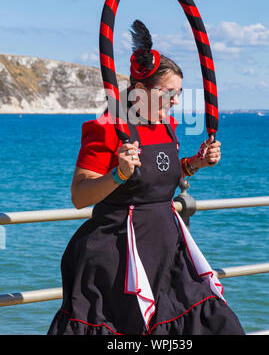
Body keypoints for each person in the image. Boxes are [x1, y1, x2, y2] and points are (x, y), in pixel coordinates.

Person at [47, 20, 245, 336]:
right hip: (117, 256)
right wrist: (118, 174)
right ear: (141, 91)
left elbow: (158, 176)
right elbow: (80, 196)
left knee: (217, 324)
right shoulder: (107, 127)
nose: (176, 102)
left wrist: (195, 163)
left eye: (179, 94)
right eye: (169, 93)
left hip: (167, 250)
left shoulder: (166, 125)